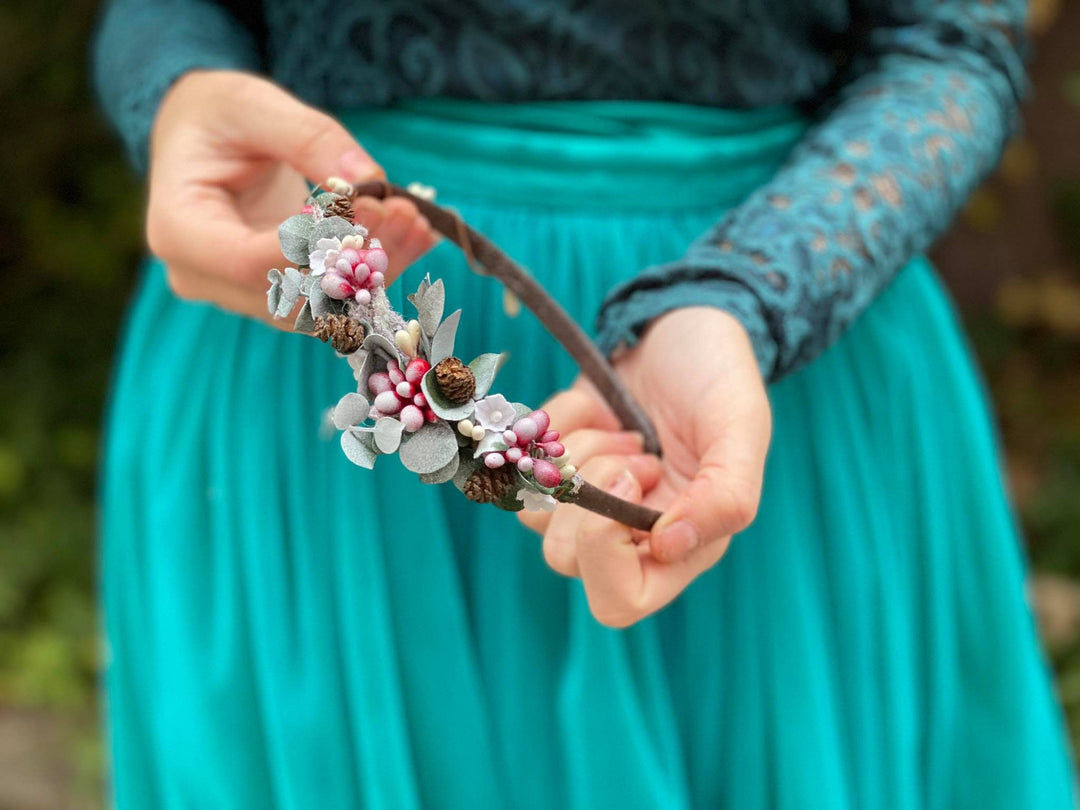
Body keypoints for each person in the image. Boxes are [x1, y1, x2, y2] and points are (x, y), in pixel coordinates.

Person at [92, 0, 1075, 807]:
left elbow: (947, 42)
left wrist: (755, 291)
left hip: (775, 356)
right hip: (318, 321)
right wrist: (175, 87)